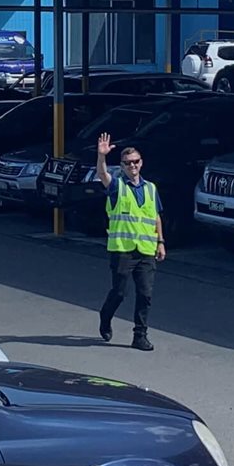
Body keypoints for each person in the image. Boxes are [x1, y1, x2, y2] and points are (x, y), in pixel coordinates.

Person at [95, 132, 164, 351]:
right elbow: (102, 174)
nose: (132, 166)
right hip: (123, 250)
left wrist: (160, 242)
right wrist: (101, 156)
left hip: (145, 250)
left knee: (145, 294)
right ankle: (106, 316)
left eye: (135, 162)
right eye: (127, 163)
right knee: (120, 293)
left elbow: (155, 216)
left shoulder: (151, 188)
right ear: (122, 166)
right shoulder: (117, 187)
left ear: (141, 163)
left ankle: (140, 335)